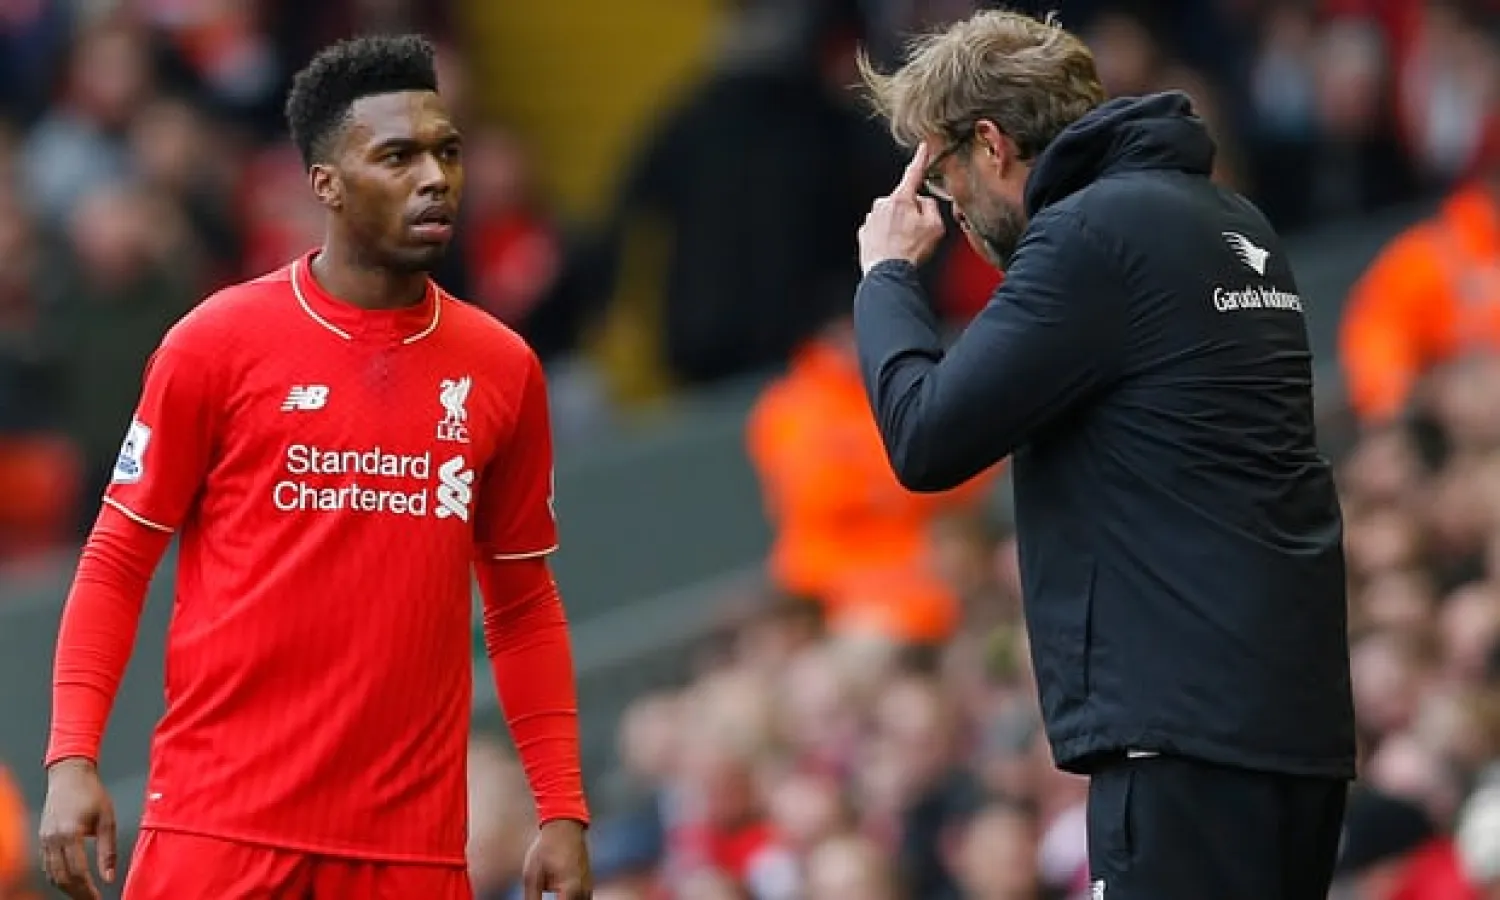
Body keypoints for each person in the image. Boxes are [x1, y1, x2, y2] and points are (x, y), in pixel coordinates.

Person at [36, 34, 593, 900]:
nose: (436, 177)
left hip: (409, 854)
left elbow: (522, 604)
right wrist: (73, 756)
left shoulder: (503, 368)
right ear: (325, 183)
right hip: (220, 831)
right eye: (398, 156)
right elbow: (115, 561)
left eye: (448, 151)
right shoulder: (216, 344)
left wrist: (559, 806)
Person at [852, 10, 1356, 900]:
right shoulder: (1230, 219)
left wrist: (889, 275)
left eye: (952, 177)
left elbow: (925, 437)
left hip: (1184, 743)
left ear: (994, 144)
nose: (955, 210)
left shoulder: (1090, 236)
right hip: (1292, 731)